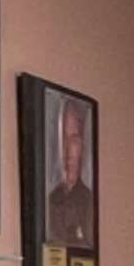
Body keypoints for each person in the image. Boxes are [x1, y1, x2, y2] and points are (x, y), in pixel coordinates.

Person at [39, 89, 96, 253]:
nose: (68, 150)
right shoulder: (48, 202)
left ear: (83, 145)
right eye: (63, 138)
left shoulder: (90, 203)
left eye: (74, 138)